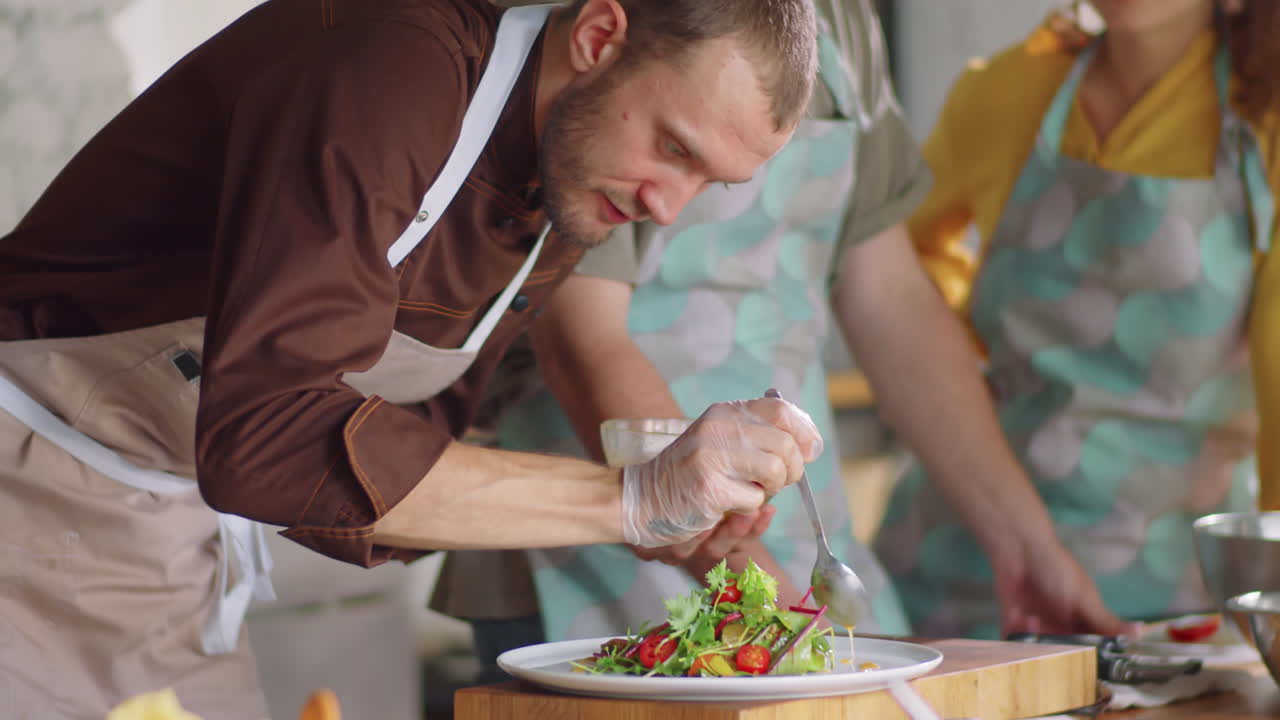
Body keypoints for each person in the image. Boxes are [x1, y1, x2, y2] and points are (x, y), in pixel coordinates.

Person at [0, 0, 826, 716]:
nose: (665, 209)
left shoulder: (567, 179)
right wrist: (632, 500)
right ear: (600, 34)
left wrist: (668, 524)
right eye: (675, 148)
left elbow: (382, 451)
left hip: (169, 540)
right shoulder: (397, 74)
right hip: (26, 498)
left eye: (707, 183)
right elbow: (264, 438)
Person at [432, 0, 1134, 676]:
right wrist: (755, 589)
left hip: (796, 526)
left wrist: (1027, 551)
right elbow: (583, 346)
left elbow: (894, 303)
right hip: (585, 540)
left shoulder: (848, 25)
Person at [875, 0, 1280, 639]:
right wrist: (960, 354)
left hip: (1169, 611)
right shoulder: (1005, 92)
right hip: (953, 579)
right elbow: (889, 264)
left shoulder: (1267, 126)